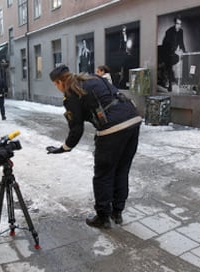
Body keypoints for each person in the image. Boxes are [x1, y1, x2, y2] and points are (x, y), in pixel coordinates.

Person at [47, 65, 141, 229]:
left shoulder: (71, 94)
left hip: (113, 128)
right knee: (121, 170)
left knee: (103, 175)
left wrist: (64, 148)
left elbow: (76, 129)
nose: (57, 88)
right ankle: (117, 213)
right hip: (133, 119)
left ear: (60, 81)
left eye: (56, 84)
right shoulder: (92, 78)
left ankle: (103, 217)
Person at [160, 16, 186, 92]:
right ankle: (170, 85)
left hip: (172, 52)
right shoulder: (169, 31)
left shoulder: (181, 31)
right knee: (169, 66)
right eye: (178, 24)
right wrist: (169, 53)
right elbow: (165, 44)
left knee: (174, 62)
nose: (179, 25)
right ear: (175, 23)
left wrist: (184, 51)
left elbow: (181, 42)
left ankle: (170, 80)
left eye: (180, 24)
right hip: (166, 51)